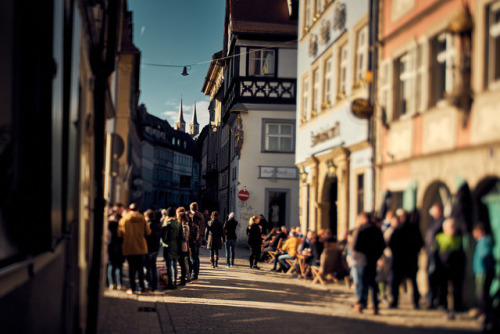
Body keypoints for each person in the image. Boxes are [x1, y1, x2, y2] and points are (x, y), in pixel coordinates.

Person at [389, 209, 423, 309]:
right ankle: (416, 302)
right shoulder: (414, 229)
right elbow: (420, 244)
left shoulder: (398, 229)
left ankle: (395, 301)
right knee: (413, 282)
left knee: (396, 282)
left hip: (400, 260)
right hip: (410, 260)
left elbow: (392, 244)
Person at [353, 212, 385, 315]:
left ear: (363, 219)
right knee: (372, 283)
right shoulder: (377, 229)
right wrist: (377, 255)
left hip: (362, 259)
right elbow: (382, 245)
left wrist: (361, 252)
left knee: (362, 283)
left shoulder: (361, 229)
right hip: (372, 260)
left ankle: (361, 304)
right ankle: (374, 306)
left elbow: (355, 245)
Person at [434, 218, 465, 318]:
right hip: (443, 267)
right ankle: (444, 306)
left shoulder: (459, 238)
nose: (452, 229)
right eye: (450, 227)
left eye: (453, 227)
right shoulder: (439, 238)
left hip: (455, 267)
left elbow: (462, 253)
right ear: (444, 228)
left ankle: (456, 307)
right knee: (443, 288)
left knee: (456, 288)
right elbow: (434, 252)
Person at [118, 203, 151, 294]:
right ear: (137, 209)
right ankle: (142, 287)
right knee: (140, 269)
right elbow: (148, 232)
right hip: (141, 247)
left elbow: (119, 234)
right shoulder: (142, 218)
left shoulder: (124, 219)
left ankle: (132, 288)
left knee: (131, 269)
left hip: (129, 247)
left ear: (129, 209)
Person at [472, 222, 494, 322]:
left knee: (482, 294)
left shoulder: (484, 241)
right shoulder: (482, 241)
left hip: (482, 272)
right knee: (480, 293)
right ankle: (482, 312)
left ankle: (485, 314)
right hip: (480, 271)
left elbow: (484, 255)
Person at [425, 203, 445, 309]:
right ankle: (431, 299)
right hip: (431, 253)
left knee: (434, 277)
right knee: (431, 277)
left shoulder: (442, 222)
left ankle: (435, 300)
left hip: (437, 254)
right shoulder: (434, 222)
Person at [161, 207, 182, 289]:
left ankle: (169, 283)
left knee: (168, 266)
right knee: (175, 265)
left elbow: (164, 238)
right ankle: (175, 282)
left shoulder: (166, 224)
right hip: (176, 246)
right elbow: (182, 237)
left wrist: (164, 244)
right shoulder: (178, 224)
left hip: (168, 247)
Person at [144, 209, 162, 292]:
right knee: (153, 266)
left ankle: (150, 284)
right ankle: (155, 284)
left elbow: (147, 236)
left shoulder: (150, 224)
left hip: (149, 248)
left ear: (147, 217)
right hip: (156, 247)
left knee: (148, 267)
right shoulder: (158, 224)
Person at [107, 214, 124, 290]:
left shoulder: (108, 231)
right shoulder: (120, 230)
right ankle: (119, 284)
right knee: (118, 267)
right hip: (119, 250)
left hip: (111, 249)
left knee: (111, 266)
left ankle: (111, 283)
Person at [189, 202, 205, 280]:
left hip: (194, 239)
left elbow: (193, 229)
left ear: (191, 208)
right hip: (199, 238)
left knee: (193, 258)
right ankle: (195, 274)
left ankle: (194, 275)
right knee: (196, 257)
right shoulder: (201, 215)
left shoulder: (194, 216)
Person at [177, 208, 191, 286]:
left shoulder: (184, 226)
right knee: (183, 262)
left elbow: (185, 238)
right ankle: (185, 276)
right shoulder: (184, 225)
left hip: (182, 246)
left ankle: (185, 277)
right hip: (183, 246)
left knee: (183, 263)